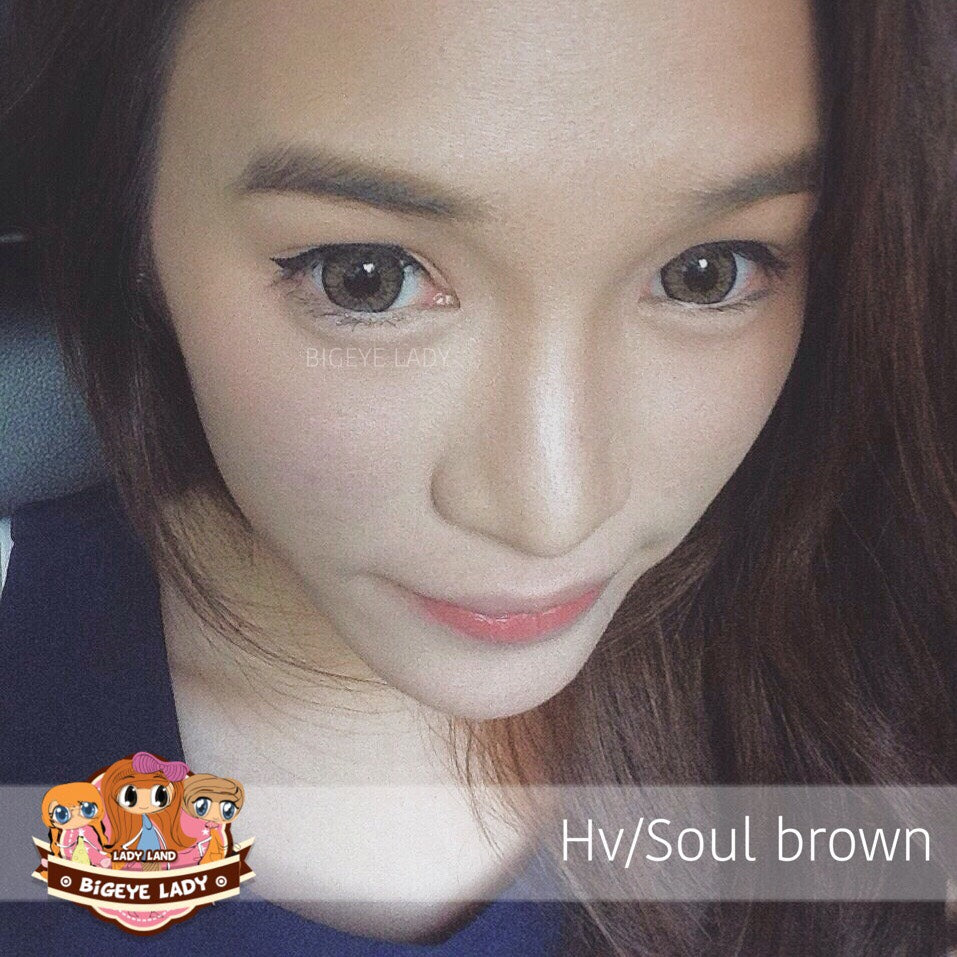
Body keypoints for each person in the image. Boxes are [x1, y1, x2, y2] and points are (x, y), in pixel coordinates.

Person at [1, 0, 955, 954]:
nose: (552, 514)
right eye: (366, 277)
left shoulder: (876, 647)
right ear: (132, 224)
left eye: (705, 273)